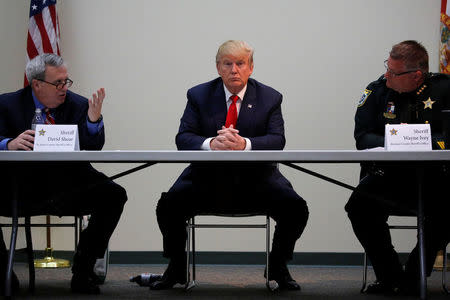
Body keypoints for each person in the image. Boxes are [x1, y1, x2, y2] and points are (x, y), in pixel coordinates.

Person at [149, 40, 309, 291]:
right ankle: (177, 267)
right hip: (206, 179)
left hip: (257, 180)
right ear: (218, 68)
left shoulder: (270, 97)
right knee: (168, 205)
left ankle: (278, 265)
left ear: (251, 68)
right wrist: (211, 143)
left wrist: (243, 144)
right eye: (228, 64)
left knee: (296, 209)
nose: (234, 70)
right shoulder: (199, 95)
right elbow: (183, 138)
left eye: (240, 63)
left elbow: (277, 140)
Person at [0, 53, 127, 295]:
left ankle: (83, 268)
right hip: (20, 187)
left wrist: (93, 120)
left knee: (113, 195)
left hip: (70, 185)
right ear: (36, 84)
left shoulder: (78, 105)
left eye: (66, 81)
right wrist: (8, 144)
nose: (64, 88)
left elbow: (93, 147)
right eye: (57, 83)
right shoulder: (7, 104)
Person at [345, 40, 450, 295]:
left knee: (448, 208)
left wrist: (419, 141)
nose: (386, 75)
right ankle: (390, 274)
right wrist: (395, 141)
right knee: (358, 207)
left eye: (393, 72)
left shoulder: (444, 90)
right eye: (387, 68)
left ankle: (415, 275)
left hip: (435, 178)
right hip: (387, 178)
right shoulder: (377, 91)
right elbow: (362, 137)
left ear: (417, 75)